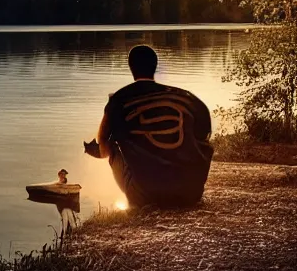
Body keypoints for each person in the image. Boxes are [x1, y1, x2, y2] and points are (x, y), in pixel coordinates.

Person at [84, 45, 213, 208]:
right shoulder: (187, 98)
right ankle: (182, 184)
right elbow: (204, 135)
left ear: (131, 67)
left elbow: (102, 144)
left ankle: (137, 198)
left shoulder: (119, 99)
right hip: (190, 193)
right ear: (155, 65)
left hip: (145, 196)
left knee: (110, 143)